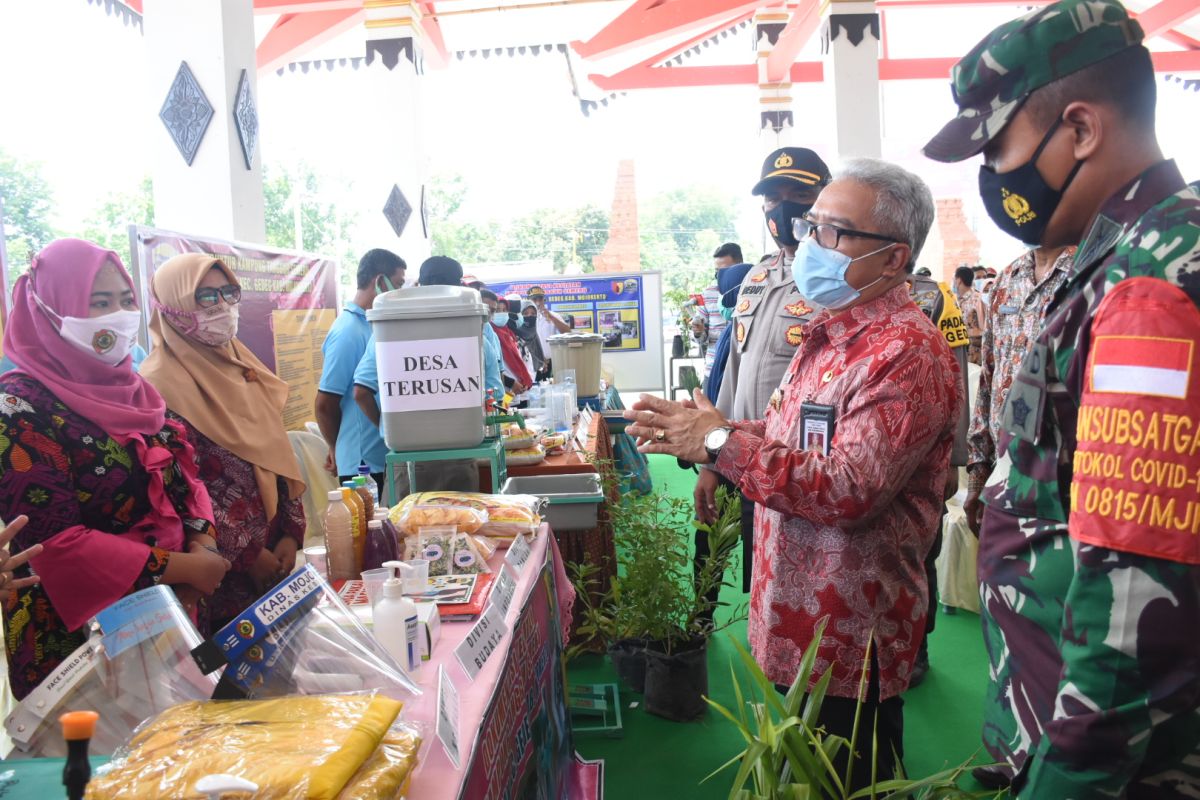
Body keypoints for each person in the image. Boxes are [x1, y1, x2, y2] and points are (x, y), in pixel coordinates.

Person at [925, 2, 1200, 795]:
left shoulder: (1149, 285)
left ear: (1080, 129)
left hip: (1119, 764)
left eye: (999, 148)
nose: (994, 178)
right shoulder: (1121, 253)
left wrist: (1066, 780)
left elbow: (1138, 606)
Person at [629, 159, 961, 790]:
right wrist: (714, 437)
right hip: (794, 619)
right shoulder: (833, 332)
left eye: (833, 232)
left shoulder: (904, 352)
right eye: (812, 227)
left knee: (844, 780)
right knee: (794, 776)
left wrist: (723, 441)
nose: (810, 245)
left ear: (893, 260)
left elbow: (849, 488)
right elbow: (794, 439)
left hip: (847, 633)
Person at [0, 239, 230, 700]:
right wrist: (183, 568)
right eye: (98, 303)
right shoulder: (19, 409)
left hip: (176, 623)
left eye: (126, 301)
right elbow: (54, 544)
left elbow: (185, 477)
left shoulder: (135, 391)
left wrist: (202, 546)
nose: (118, 316)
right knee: (111, 768)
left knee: (200, 748)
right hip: (83, 647)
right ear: (48, 309)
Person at [954, 244, 1074, 786]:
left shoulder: (1108, 259)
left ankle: (1056, 763)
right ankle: (1012, 751)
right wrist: (979, 474)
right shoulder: (1010, 277)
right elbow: (991, 380)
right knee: (1007, 618)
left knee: (1068, 627)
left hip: (1072, 480)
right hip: (1008, 471)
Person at [140, 254, 307, 633]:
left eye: (229, 293)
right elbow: (177, 487)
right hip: (216, 573)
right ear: (173, 305)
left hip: (276, 554)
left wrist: (290, 534)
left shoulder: (242, 365)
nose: (224, 307)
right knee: (231, 684)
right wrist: (249, 555)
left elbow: (276, 450)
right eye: (206, 297)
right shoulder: (154, 389)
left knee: (286, 680)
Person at [695, 147, 830, 596]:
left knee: (808, 593)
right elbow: (735, 371)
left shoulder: (837, 278)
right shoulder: (757, 277)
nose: (784, 206)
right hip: (746, 457)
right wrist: (714, 459)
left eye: (799, 194)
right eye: (773, 197)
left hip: (805, 470)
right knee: (763, 587)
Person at [353, 256, 491, 495]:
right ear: (459, 284)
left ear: (421, 283)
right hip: (461, 459)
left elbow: (360, 391)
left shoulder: (388, 328)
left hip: (406, 464)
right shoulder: (475, 330)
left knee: (404, 530)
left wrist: (390, 425)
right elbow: (494, 393)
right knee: (462, 528)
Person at [904, 270, 972, 686]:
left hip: (926, 456)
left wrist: (954, 461)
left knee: (921, 553)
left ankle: (917, 648)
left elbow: (960, 381)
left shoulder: (938, 298)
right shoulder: (849, 287)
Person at [315, 249, 405, 485]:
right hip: (362, 464)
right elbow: (325, 404)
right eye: (398, 284)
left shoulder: (373, 324)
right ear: (379, 282)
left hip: (379, 456)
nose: (400, 293)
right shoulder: (348, 332)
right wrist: (336, 447)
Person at [692, 243, 747, 381]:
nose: (720, 276)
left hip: (742, 370)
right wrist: (698, 332)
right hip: (714, 369)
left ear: (740, 264)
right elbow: (700, 339)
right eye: (717, 271)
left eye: (725, 271)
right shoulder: (709, 293)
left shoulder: (752, 291)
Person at [480, 289, 533, 401]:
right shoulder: (474, 336)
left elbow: (499, 371)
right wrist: (512, 383)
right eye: (486, 308)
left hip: (501, 398)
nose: (489, 314)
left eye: (493, 310)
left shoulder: (495, 335)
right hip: (486, 400)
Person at [526, 286, 569, 374]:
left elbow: (567, 332)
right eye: (534, 299)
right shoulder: (526, 318)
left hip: (554, 362)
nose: (538, 302)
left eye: (540, 299)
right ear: (529, 301)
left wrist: (550, 316)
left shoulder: (554, 316)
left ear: (544, 300)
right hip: (533, 363)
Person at [953, 266, 986, 365]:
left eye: (955, 279)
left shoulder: (978, 299)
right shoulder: (955, 301)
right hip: (960, 356)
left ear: (958, 280)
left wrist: (966, 332)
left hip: (975, 357)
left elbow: (985, 329)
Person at [512, 299, 547, 379]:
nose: (529, 316)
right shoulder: (514, 333)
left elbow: (538, 354)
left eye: (533, 313)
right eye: (525, 313)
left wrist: (541, 363)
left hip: (534, 376)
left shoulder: (533, 332)